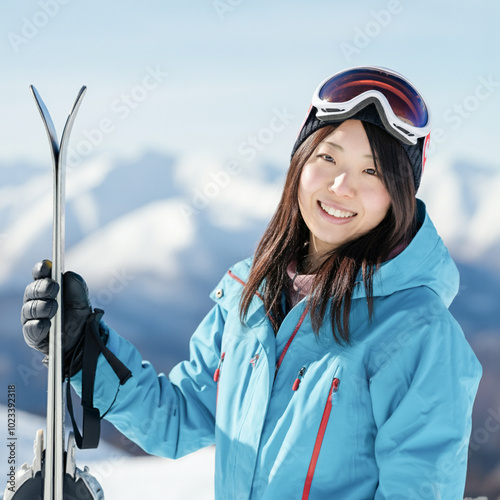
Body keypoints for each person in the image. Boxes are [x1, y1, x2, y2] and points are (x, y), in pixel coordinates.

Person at [21, 66, 482, 499]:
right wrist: (83, 350)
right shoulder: (252, 294)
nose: (342, 185)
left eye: (373, 171)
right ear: (300, 162)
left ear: (401, 192)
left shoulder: (420, 334)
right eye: (328, 155)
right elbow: (179, 420)